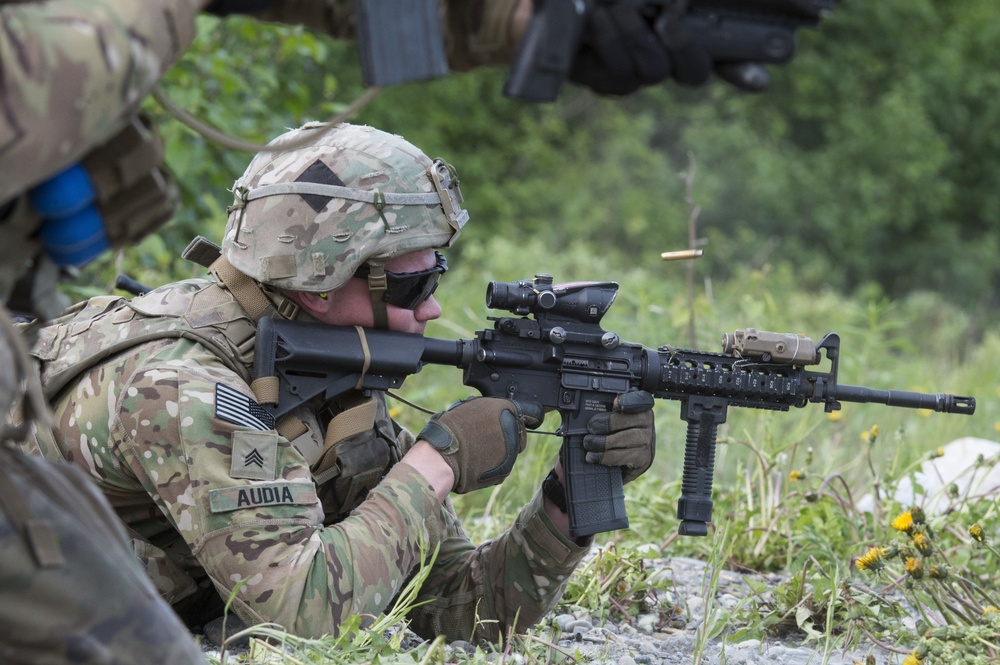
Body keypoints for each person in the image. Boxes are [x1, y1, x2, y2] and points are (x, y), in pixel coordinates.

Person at [16, 121, 658, 643]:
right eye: (415, 286)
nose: (431, 310)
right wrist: (436, 464)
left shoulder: (319, 375)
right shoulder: (184, 388)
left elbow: (463, 611)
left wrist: (567, 501)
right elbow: (304, 618)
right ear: (321, 284)